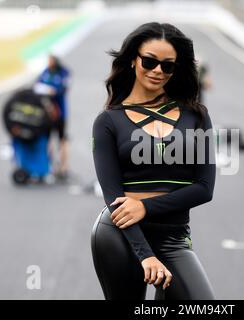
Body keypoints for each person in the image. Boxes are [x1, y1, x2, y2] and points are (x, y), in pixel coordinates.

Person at [91, 22, 216, 300]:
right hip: (121, 235)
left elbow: (205, 188)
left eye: (167, 65)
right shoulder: (108, 122)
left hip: (174, 237)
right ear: (134, 60)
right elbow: (115, 199)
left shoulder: (196, 116)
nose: (157, 70)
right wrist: (145, 255)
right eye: (149, 61)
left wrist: (144, 207)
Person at [36, 54, 71, 179]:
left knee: (62, 139)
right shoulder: (45, 72)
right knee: (47, 140)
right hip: (47, 113)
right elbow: (37, 86)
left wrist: (51, 90)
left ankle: (64, 167)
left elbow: (63, 88)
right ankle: (49, 166)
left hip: (60, 113)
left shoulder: (63, 72)